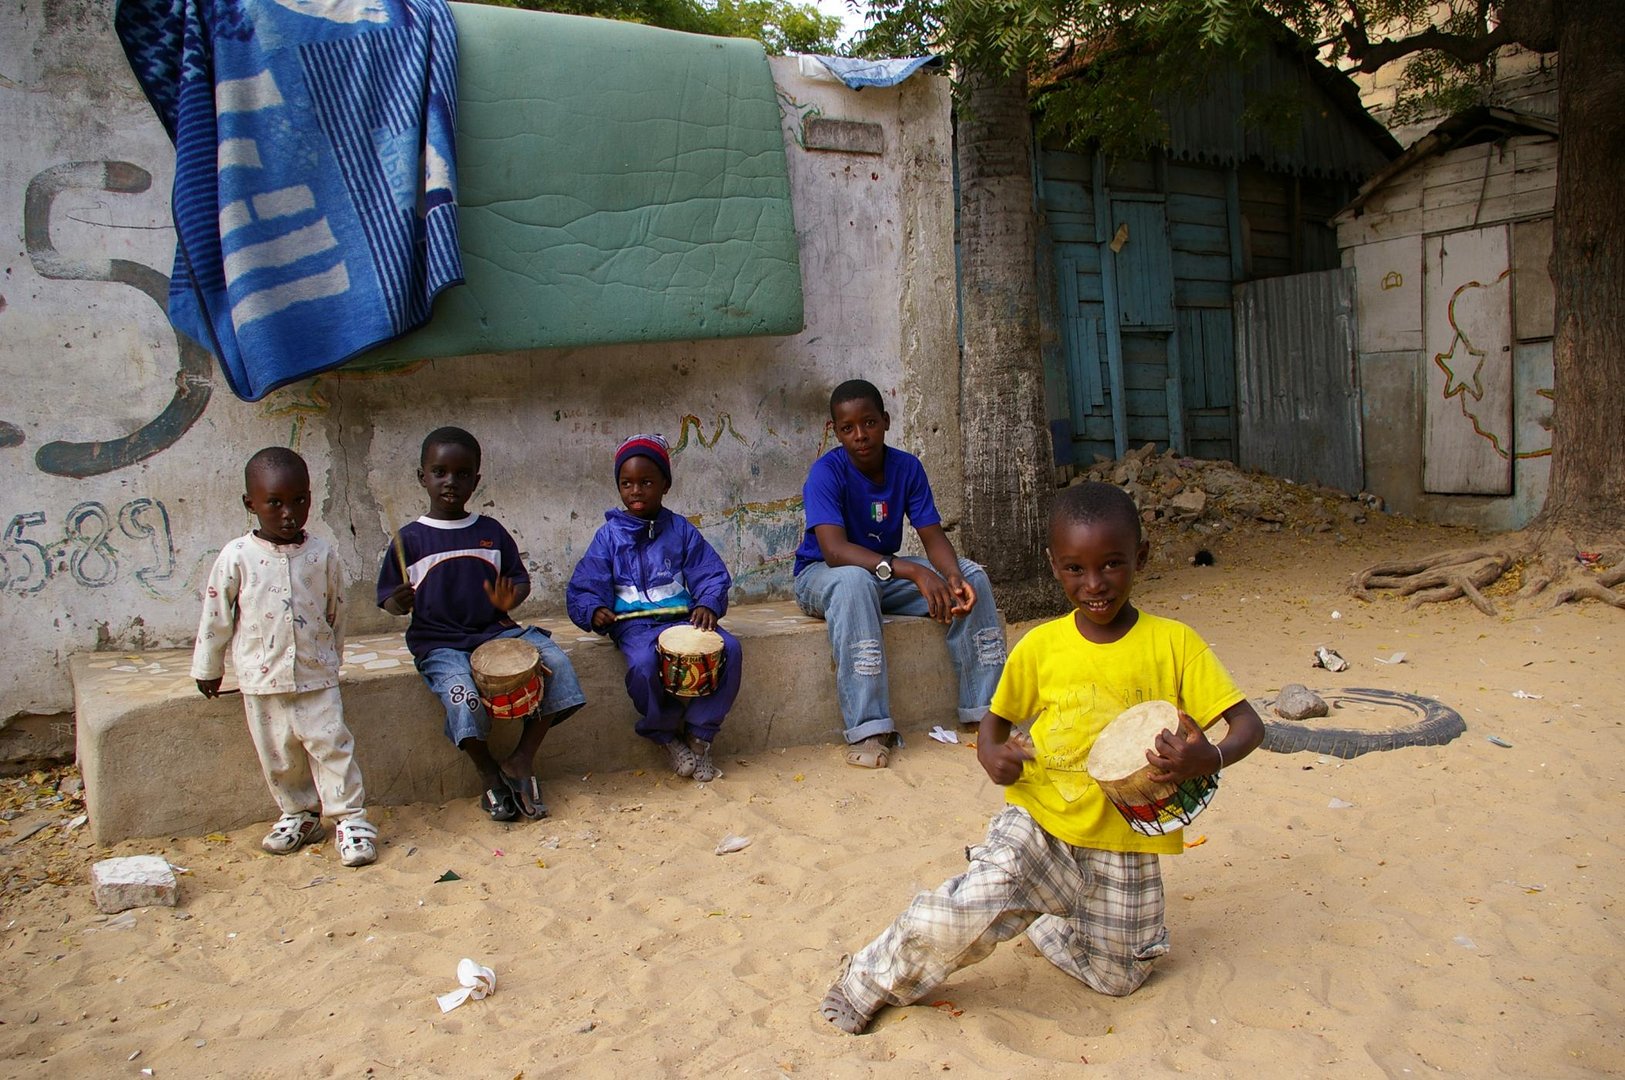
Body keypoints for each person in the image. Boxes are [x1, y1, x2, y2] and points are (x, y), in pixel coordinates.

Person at [819, 481, 1266, 1034]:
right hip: (1041, 819)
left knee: (1121, 975)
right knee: (966, 907)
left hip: (1124, 838)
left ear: (1141, 557)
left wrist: (1209, 757)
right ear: (1054, 564)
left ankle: (1046, 918)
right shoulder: (1040, 646)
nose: (1094, 584)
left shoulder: (1175, 643)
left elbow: (1250, 724)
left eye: (1112, 565)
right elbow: (995, 720)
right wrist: (990, 754)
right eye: (1075, 569)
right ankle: (864, 981)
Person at [793, 379, 1006, 768]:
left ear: (887, 421)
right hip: (824, 575)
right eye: (848, 428)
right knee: (856, 582)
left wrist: (951, 575)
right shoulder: (827, 473)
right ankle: (870, 728)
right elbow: (835, 551)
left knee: (973, 578)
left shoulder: (907, 468)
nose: (860, 435)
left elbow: (932, 535)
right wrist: (911, 571)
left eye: (870, 423)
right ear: (836, 432)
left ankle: (987, 711)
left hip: (880, 573)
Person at [376, 427, 585, 822]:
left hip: (496, 631)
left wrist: (512, 599)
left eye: (462, 473)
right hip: (439, 642)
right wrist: (397, 601)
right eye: (439, 472)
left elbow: (519, 582)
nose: (450, 482)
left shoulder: (490, 532)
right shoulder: (410, 539)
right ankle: (487, 770)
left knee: (559, 667)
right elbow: (388, 599)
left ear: (476, 478)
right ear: (423, 477)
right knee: (463, 697)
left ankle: (521, 759)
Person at [192, 447, 378, 867]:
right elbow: (216, 615)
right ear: (250, 504)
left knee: (332, 747)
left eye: (299, 500)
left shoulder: (322, 554)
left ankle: (350, 819)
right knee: (279, 754)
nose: (288, 512)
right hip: (261, 679)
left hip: (316, 677)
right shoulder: (237, 556)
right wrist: (208, 667)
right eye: (274, 502)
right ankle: (299, 814)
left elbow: (336, 612)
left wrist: (333, 659)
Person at [566, 433, 741, 783]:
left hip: (681, 620)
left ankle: (701, 736)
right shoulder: (609, 536)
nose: (635, 491)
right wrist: (594, 609)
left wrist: (707, 602)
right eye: (626, 483)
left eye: (646, 482)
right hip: (634, 627)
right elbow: (585, 583)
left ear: (665, 484)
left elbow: (709, 572)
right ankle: (665, 735)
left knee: (731, 650)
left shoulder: (680, 530)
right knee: (645, 665)